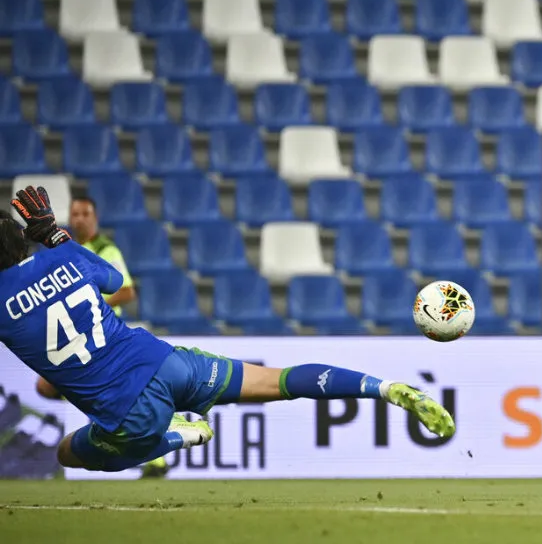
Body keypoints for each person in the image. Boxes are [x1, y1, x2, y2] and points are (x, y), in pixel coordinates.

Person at [0, 186, 455, 474]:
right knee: (279, 380)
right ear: (25, 238)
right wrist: (56, 235)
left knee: (70, 454)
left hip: (127, 413)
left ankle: (180, 435)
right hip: (166, 362)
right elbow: (117, 282)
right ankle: (384, 388)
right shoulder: (60, 255)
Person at [31, 197, 169, 478]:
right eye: (75, 214)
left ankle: (154, 458)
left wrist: (94, 302)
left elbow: (127, 291)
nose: (80, 219)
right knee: (46, 387)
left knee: (79, 390)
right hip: (77, 341)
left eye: (86, 213)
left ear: (95, 218)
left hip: (103, 339)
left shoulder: (106, 250)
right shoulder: (64, 250)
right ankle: (120, 429)